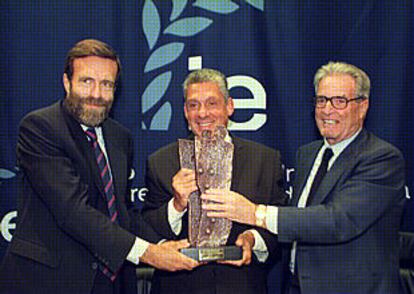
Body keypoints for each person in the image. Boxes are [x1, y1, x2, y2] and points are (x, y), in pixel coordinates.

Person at [0, 39, 199, 294]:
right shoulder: (40, 128)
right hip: (45, 281)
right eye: (86, 81)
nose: (96, 94)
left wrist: (162, 244)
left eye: (106, 84)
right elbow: (72, 211)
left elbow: (120, 211)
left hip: (107, 282)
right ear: (66, 82)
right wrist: (149, 253)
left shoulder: (119, 137)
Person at [202, 61, 406, 293]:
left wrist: (254, 212)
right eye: (321, 100)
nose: (327, 110)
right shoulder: (307, 154)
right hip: (297, 285)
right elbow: (297, 218)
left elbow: (338, 221)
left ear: (362, 106)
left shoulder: (382, 158)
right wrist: (251, 237)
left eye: (340, 101)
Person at [141, 68, 287, 294]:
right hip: (179, 287)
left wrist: (252, 239)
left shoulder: (265, 159)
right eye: (193, 105)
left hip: (243, 286)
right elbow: (147, 227)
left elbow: (281, 222)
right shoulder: (161, 161)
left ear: (229, 106)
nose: (202, 114)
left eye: (211, 103)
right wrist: (177, 205)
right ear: (185, 112)